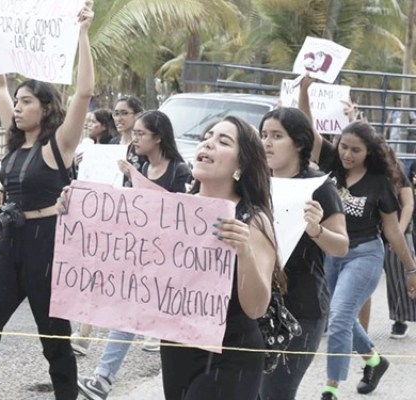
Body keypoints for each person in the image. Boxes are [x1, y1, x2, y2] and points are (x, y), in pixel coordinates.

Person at [0, 3, 94, 399]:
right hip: (8, 242)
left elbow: (84, 92)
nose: (19, 106)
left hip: (47, 243)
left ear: (45, 108)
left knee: (54, 339)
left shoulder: (59, 143)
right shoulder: (14, 138)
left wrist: (82, 34)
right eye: (19, 100)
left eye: (27, 101)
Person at [161, 116, 278, 400]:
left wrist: (244, 251)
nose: (209, 143)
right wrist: (74, 209)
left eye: (223, 141)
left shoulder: (253, 220)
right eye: (208, 136)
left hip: (231, 352)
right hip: (177, 346)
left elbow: (256, 307)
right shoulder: (173, 210)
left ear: (241, 166)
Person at [76, 110, 191, 400]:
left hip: (171, 263)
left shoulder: (179, 171)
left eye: (141, 134)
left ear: (158, 137)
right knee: (129, 316)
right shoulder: (137, 164)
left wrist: (138, 180)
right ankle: (103, 378)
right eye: (135, 133)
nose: (135, 138)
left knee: (173, 331)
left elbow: (182, 216)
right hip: (141, 258)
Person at [318, 121, 416, 400]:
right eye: (344, 147)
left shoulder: (380, 182)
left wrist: (411, 268)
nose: (347, 154)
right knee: (341, 316)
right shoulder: (331, 165)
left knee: (338, 318)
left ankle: (330, 388)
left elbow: (393, 230)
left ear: (369, 152)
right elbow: (308, 131)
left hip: (364, 254)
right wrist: (305, 88)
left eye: (356, 150)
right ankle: (374, 360)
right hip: (331, 252)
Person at [257, 107, 349, 400]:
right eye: (263, 135)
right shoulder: (254, 181)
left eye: (276, 136)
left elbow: (341, 245)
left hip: (302, 307)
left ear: (298, 142)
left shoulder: (319, 186)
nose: (267, 143)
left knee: (275, 393)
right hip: (255, 304)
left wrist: (316, 230)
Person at [381, 145, 416, 339]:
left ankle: (400, 319)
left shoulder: (399, 176)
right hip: (371, 233)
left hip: (397, 231)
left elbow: (409, 205)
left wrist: (399, 233)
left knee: (399, 277)